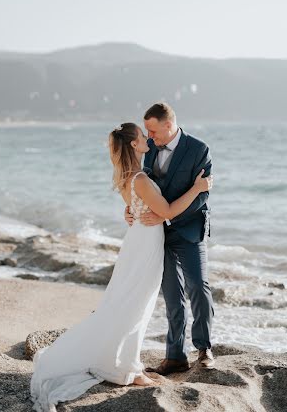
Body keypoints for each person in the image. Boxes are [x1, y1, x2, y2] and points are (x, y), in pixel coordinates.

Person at [30, 122, 213, 412]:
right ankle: (128, 368)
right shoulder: (139, 177)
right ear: (133, 145)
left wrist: (134, 211)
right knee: (135, 305)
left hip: (141, 241)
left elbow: (139, 207)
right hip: (144, 246)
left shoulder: (129, 175)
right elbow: (165, 212)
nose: (147, 140)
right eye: (142, 137)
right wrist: (197, 188)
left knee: (132, 304)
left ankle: (130, 364)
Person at [125, 102, 215, 375]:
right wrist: (131, 208)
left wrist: (166, 215)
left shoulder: (199, 150)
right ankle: (175, 356)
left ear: (168, 123)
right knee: (173, 296)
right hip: (157, 234)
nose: (149, 137)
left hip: (189, 230)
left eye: (153, 130)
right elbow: (144, 186)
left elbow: (202, 196)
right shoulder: (150, 150)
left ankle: (204, 348)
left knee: (198, 286)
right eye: (147, 133)